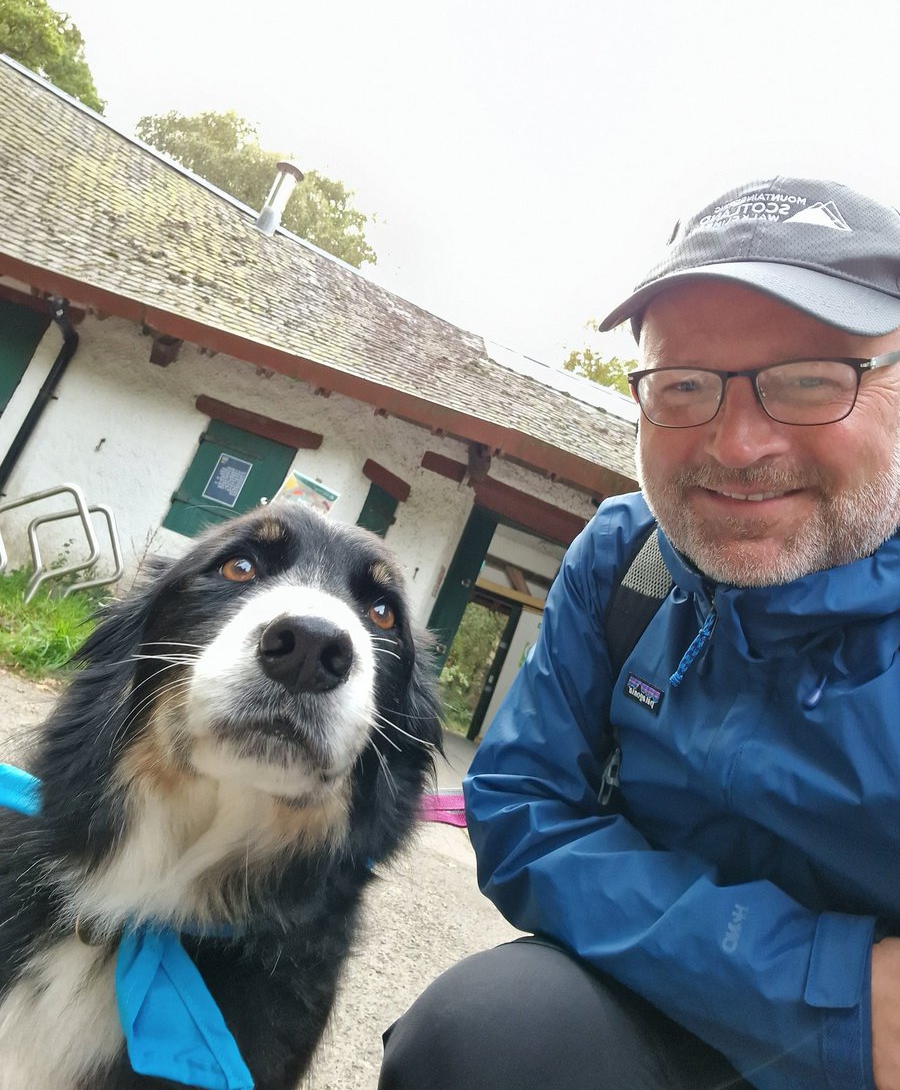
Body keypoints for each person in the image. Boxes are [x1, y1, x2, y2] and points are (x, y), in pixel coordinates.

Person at [378, 176, 900, 1090]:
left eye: (812, 380)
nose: (736, 445)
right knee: (483, 1043)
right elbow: (519, 803)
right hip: (676, 1014)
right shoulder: (629, 561)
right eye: (685, 385)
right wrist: (827, 988)